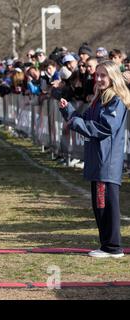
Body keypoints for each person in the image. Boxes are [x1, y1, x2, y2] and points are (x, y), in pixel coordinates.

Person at [59, 60, 130, 259]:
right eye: (97, 75)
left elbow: (104, 128)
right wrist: (69, 112)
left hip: (106, 161)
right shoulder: (99, 99)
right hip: (98, 160)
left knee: (105, 204)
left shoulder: (115, 100)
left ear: (112, 77)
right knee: (100, 205)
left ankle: (112, 247)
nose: (98, 79)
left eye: (103, 75)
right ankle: (107, 244)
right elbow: (86, 121)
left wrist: (74, 122)